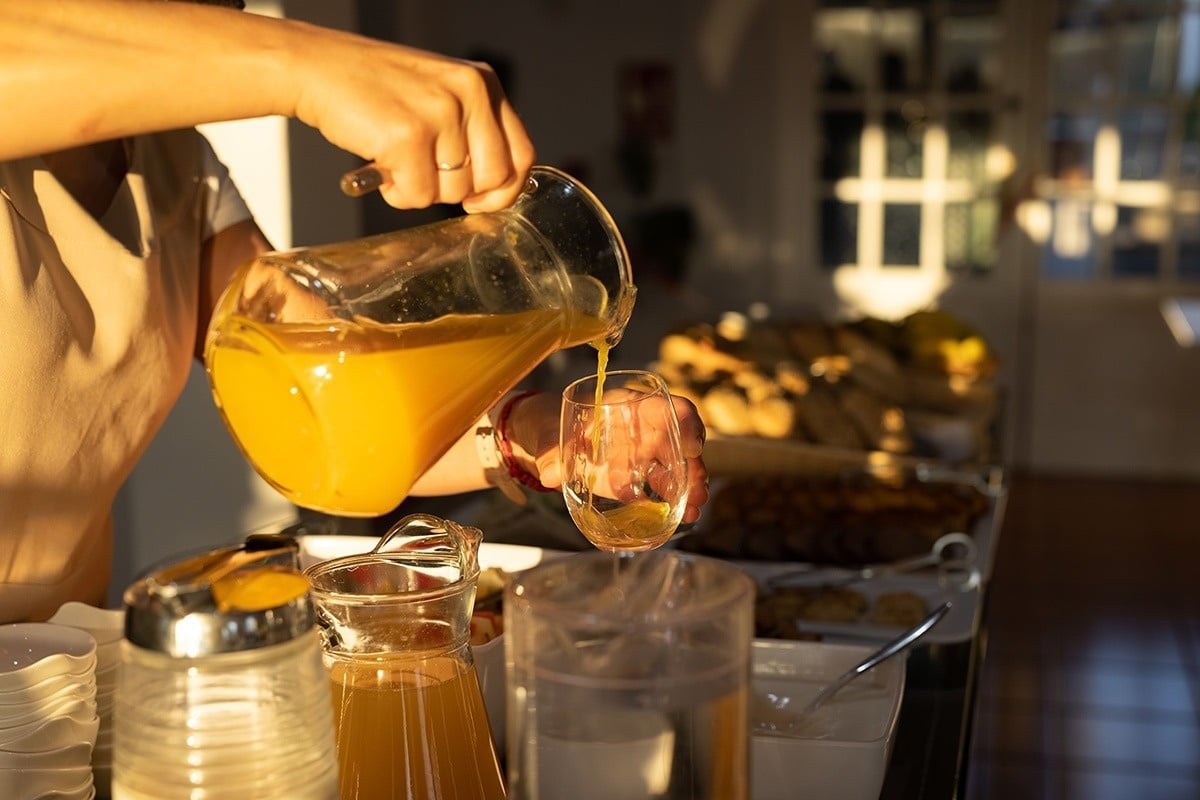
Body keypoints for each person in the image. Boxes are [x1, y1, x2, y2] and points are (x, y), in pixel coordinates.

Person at [0, 0, 709, 624]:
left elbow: (339, 419)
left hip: (53, 682)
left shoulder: (175, 161)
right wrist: (306, 65)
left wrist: (535, 434)